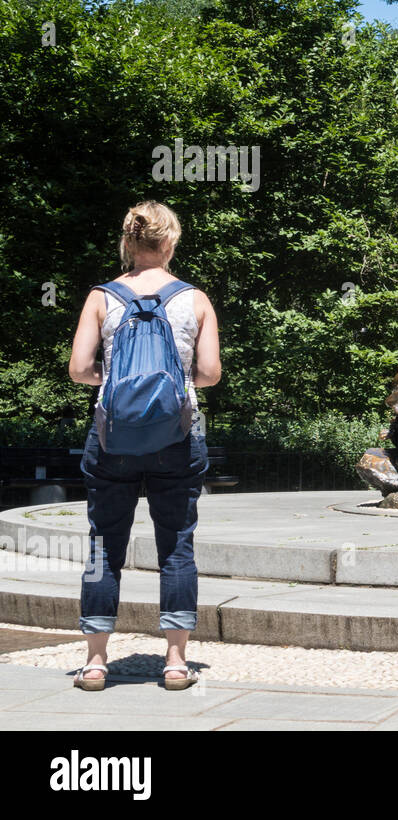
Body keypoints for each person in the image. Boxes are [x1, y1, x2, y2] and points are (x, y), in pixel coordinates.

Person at [67, 201, 222, 691]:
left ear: (128, 243)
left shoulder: (101, 296)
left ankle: (95, 662)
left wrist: (110, 381)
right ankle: (175, 663)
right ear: (170, 243)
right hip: (176, 437)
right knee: (176, 546)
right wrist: (175, 386)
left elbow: (77, 370)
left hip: (112, 438)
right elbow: (211, 374)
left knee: (101, 545)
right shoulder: (194, 299)